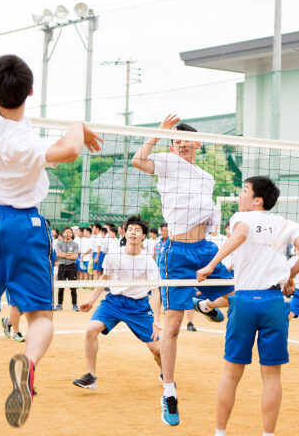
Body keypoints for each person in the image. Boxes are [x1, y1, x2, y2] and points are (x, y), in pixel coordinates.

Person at [0, 0, 102, 428]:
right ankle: (28, 366)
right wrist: (77, 124)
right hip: (23, 224)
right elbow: (69, 151)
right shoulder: (23, 141)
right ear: (28, 93)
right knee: (41, 316)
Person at [131, 114, 233, 426]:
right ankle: (169, 391)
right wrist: (158, 134)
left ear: (196, 143)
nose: (180, 146)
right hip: (177, 252)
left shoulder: (205, 177)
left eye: (185, 141)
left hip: (205, 249)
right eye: (175, 142)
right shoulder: (166, 161)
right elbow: (138, 161)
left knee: (238, 294)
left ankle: (203, 303)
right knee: (172, 328)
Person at [197, 176, 299, 436]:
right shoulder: (288, 224)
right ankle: (268, 434)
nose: (240, 196)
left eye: (244, 191)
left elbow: (240, 235)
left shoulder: (243, 218)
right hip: (274, 302)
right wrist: (289, 275)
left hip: (245, 300)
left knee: (231, 373)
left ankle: (220, 432)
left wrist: (210, 265)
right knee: (272, 376)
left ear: (257, 200)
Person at [72, 215, 162, 390]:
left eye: (138, 230)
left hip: (139, 306)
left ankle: (165, 374)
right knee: (91, 329)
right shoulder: (114, 254)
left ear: (144, 236)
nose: (133, 233)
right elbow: (105, 278)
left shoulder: (149, 261)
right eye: (130, 230)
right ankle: (91, 376)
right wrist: (91, 300)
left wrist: (157, 320)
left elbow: (156, 292)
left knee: (158, 350)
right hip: (114, 302)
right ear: (124, 233)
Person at [55, 227, 80, 312]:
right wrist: (69, 254)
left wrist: (64, 254)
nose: (68, 233)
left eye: (70, 232)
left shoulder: (75, 244)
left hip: (71, 267)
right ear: (63, 234)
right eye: (66, 232)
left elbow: (75, 256)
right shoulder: (59, 243)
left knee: (73, 287)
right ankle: (59, 304)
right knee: (60, 287)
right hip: (62, 266)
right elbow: (58, 254)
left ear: (72, 234)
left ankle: (75, 304)